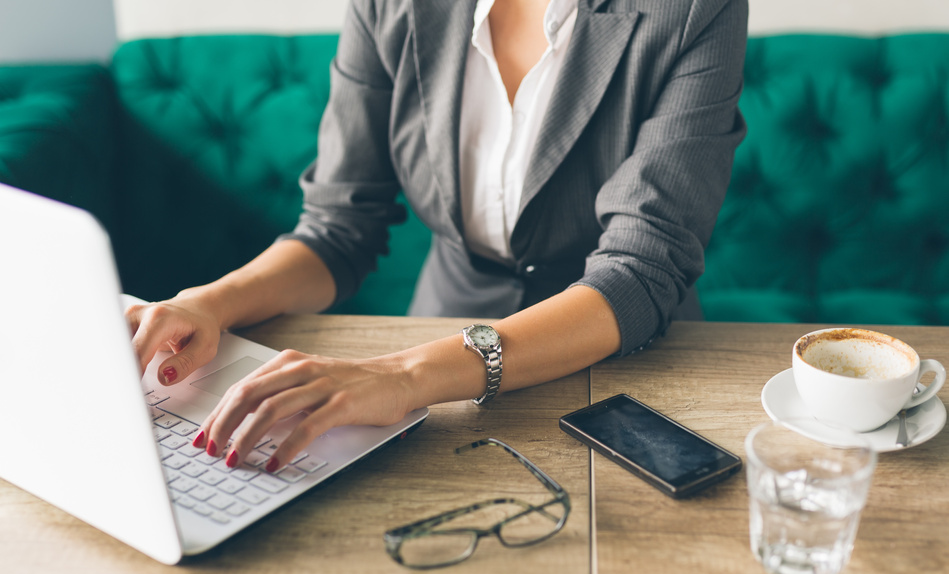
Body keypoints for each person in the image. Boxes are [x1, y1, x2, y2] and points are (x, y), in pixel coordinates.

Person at [127, 0, 748, 473]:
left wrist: (402, 377)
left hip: (617, 356)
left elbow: (641, 272)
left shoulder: (692, 10)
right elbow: (338, 228)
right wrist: (206, 302)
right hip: (440, 344)